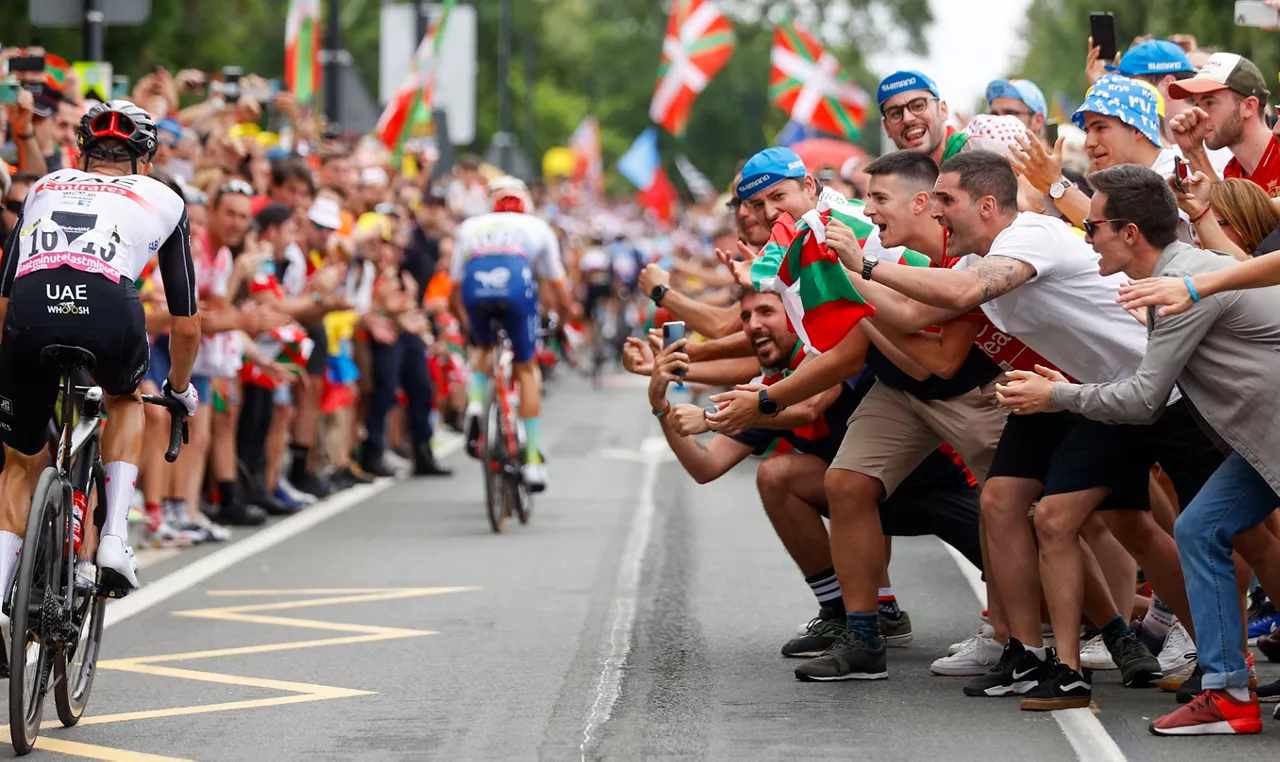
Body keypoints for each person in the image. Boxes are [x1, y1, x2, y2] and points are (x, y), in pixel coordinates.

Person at [825, 151, 1221, 709]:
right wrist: (838, 270)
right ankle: (1032, 656)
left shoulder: (1030, 237)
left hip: (1166, 388)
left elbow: (959, 300)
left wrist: (863, 267)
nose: (936, 212)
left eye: (946, 200)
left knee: (1194, 530)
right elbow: (914, 315)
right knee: (1007, 502)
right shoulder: (970, 260)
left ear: (987, 206)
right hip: (1096, 397)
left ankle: (1221, 659)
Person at [995, 163, 1279, 734]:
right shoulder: (1170, 278)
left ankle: (1228, 687)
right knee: (1200, 529)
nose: (1085, 236)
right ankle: (1228, 693)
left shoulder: (1183, 286)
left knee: (1225, 533)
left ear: (1129, 233)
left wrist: (1057, 394)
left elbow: (1145, 399)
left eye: (1093, 226)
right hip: (1261, 438)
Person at [641, 288, 985, 658]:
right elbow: (706, 466)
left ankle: (886, 608)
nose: (754, 324)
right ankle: (845, 613)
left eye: (766, 312)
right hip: (867, 501)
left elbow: (806, 405)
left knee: (1037, 599)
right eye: (745, 318)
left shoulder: (829, 350)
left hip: (944, 489)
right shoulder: (766, 389)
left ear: (794, 315)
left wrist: (711, 417)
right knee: (779, 475)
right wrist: (660, 406)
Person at [0, 100, 201, 597]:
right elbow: (187, 325)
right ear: (145, 162)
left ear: (81, 152)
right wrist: (177, 389)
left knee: (20, 461)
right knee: (125, 400)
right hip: (109, 305)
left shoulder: (44, 186)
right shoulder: (164, 196)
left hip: (31, 306)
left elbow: (4, 305)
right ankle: (113, 539)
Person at [452, 176, 578, 492]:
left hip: (475, 289)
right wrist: (562, 322)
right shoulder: (537, 227)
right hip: (517, 291)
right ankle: (533, 461)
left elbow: (453, 291)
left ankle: (476, 404)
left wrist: (468, 327)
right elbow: (559, 289)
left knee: (482, 348)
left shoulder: (471, 226)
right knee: (526, 368)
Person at [1168, 53, 1277, 194]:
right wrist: (1192, 150)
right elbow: (1227, 210)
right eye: (1196, 104)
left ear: (1249, 106)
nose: (1199, 115)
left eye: (1209, 103)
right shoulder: (1232, 172)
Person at [876, 71, 968, 166]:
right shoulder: (890, 177)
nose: (907, 119)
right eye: (896, 113)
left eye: (918, 106)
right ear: (887, 127)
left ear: (943, 110)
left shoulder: (978, 157)